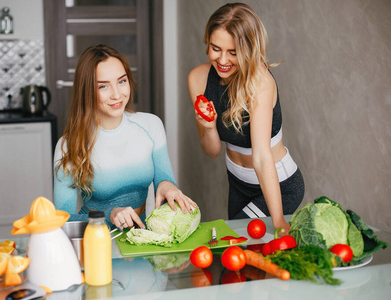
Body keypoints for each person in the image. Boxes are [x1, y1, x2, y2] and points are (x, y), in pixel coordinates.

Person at [188, 3, 304, 235]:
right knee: (243, 262)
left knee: (229, 241)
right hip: (238, 184)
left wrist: (279, 221)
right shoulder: (198, 78)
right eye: (215, 48)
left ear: (249, 49)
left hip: (277, 186)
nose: (222, 60)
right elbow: (212, 151)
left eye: (233, 52)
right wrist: (209, 128)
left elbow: (261, 156)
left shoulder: (260, 82)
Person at [54, 44, 196, 230]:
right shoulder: (68, 145)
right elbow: (60, 220)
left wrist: (167, 185)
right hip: (98, 239)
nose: (117, 94)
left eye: (121, 81)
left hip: (145, 235)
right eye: (103, 86)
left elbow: (164, 179)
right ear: (87, 91)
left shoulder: (151, 125)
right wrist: (108, 216)